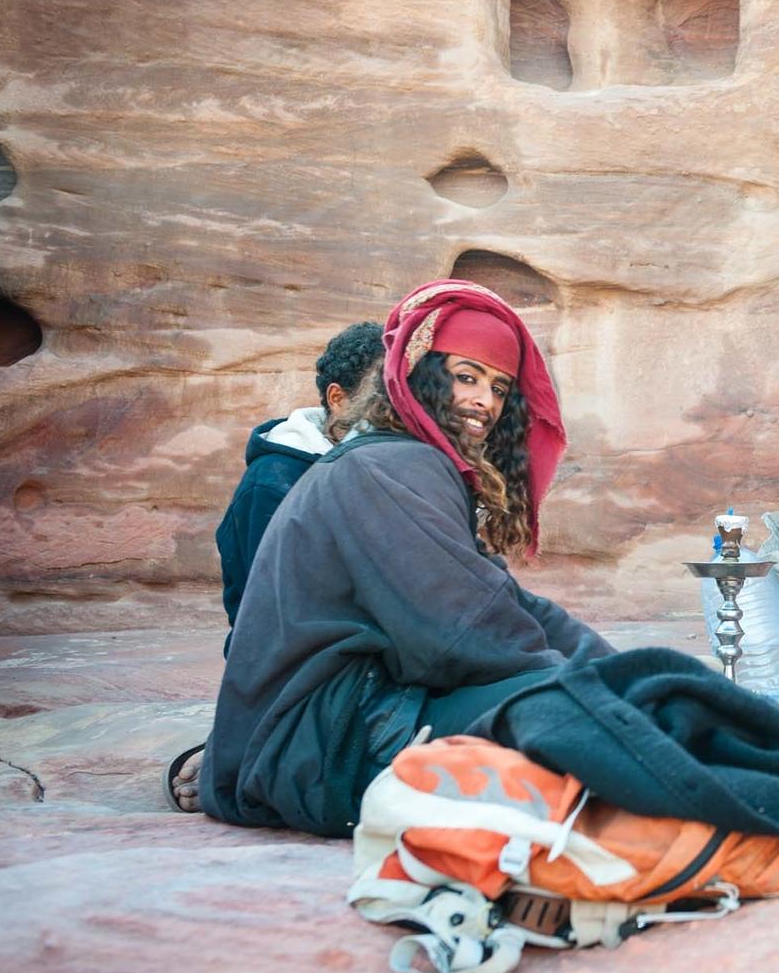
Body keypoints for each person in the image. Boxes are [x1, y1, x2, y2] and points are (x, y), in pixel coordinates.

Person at [183, 280, 610, 831]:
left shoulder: (411, 463)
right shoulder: (391, 468)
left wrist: (615, 666)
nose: (485, 401)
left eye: (500, 388)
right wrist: (597, 686)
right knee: (581, 711)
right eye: (465, 377)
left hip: (342, 722)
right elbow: (463, 635)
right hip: (321, 745)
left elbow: (504, 599)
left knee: (604, 692)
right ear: (419, 375)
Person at [215, 320, 383, 628]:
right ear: (338, 399)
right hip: (293, 666)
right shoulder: (272, 483)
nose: (395, 411)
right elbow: (275, 616)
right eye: (381, 396)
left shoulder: (375, 465)